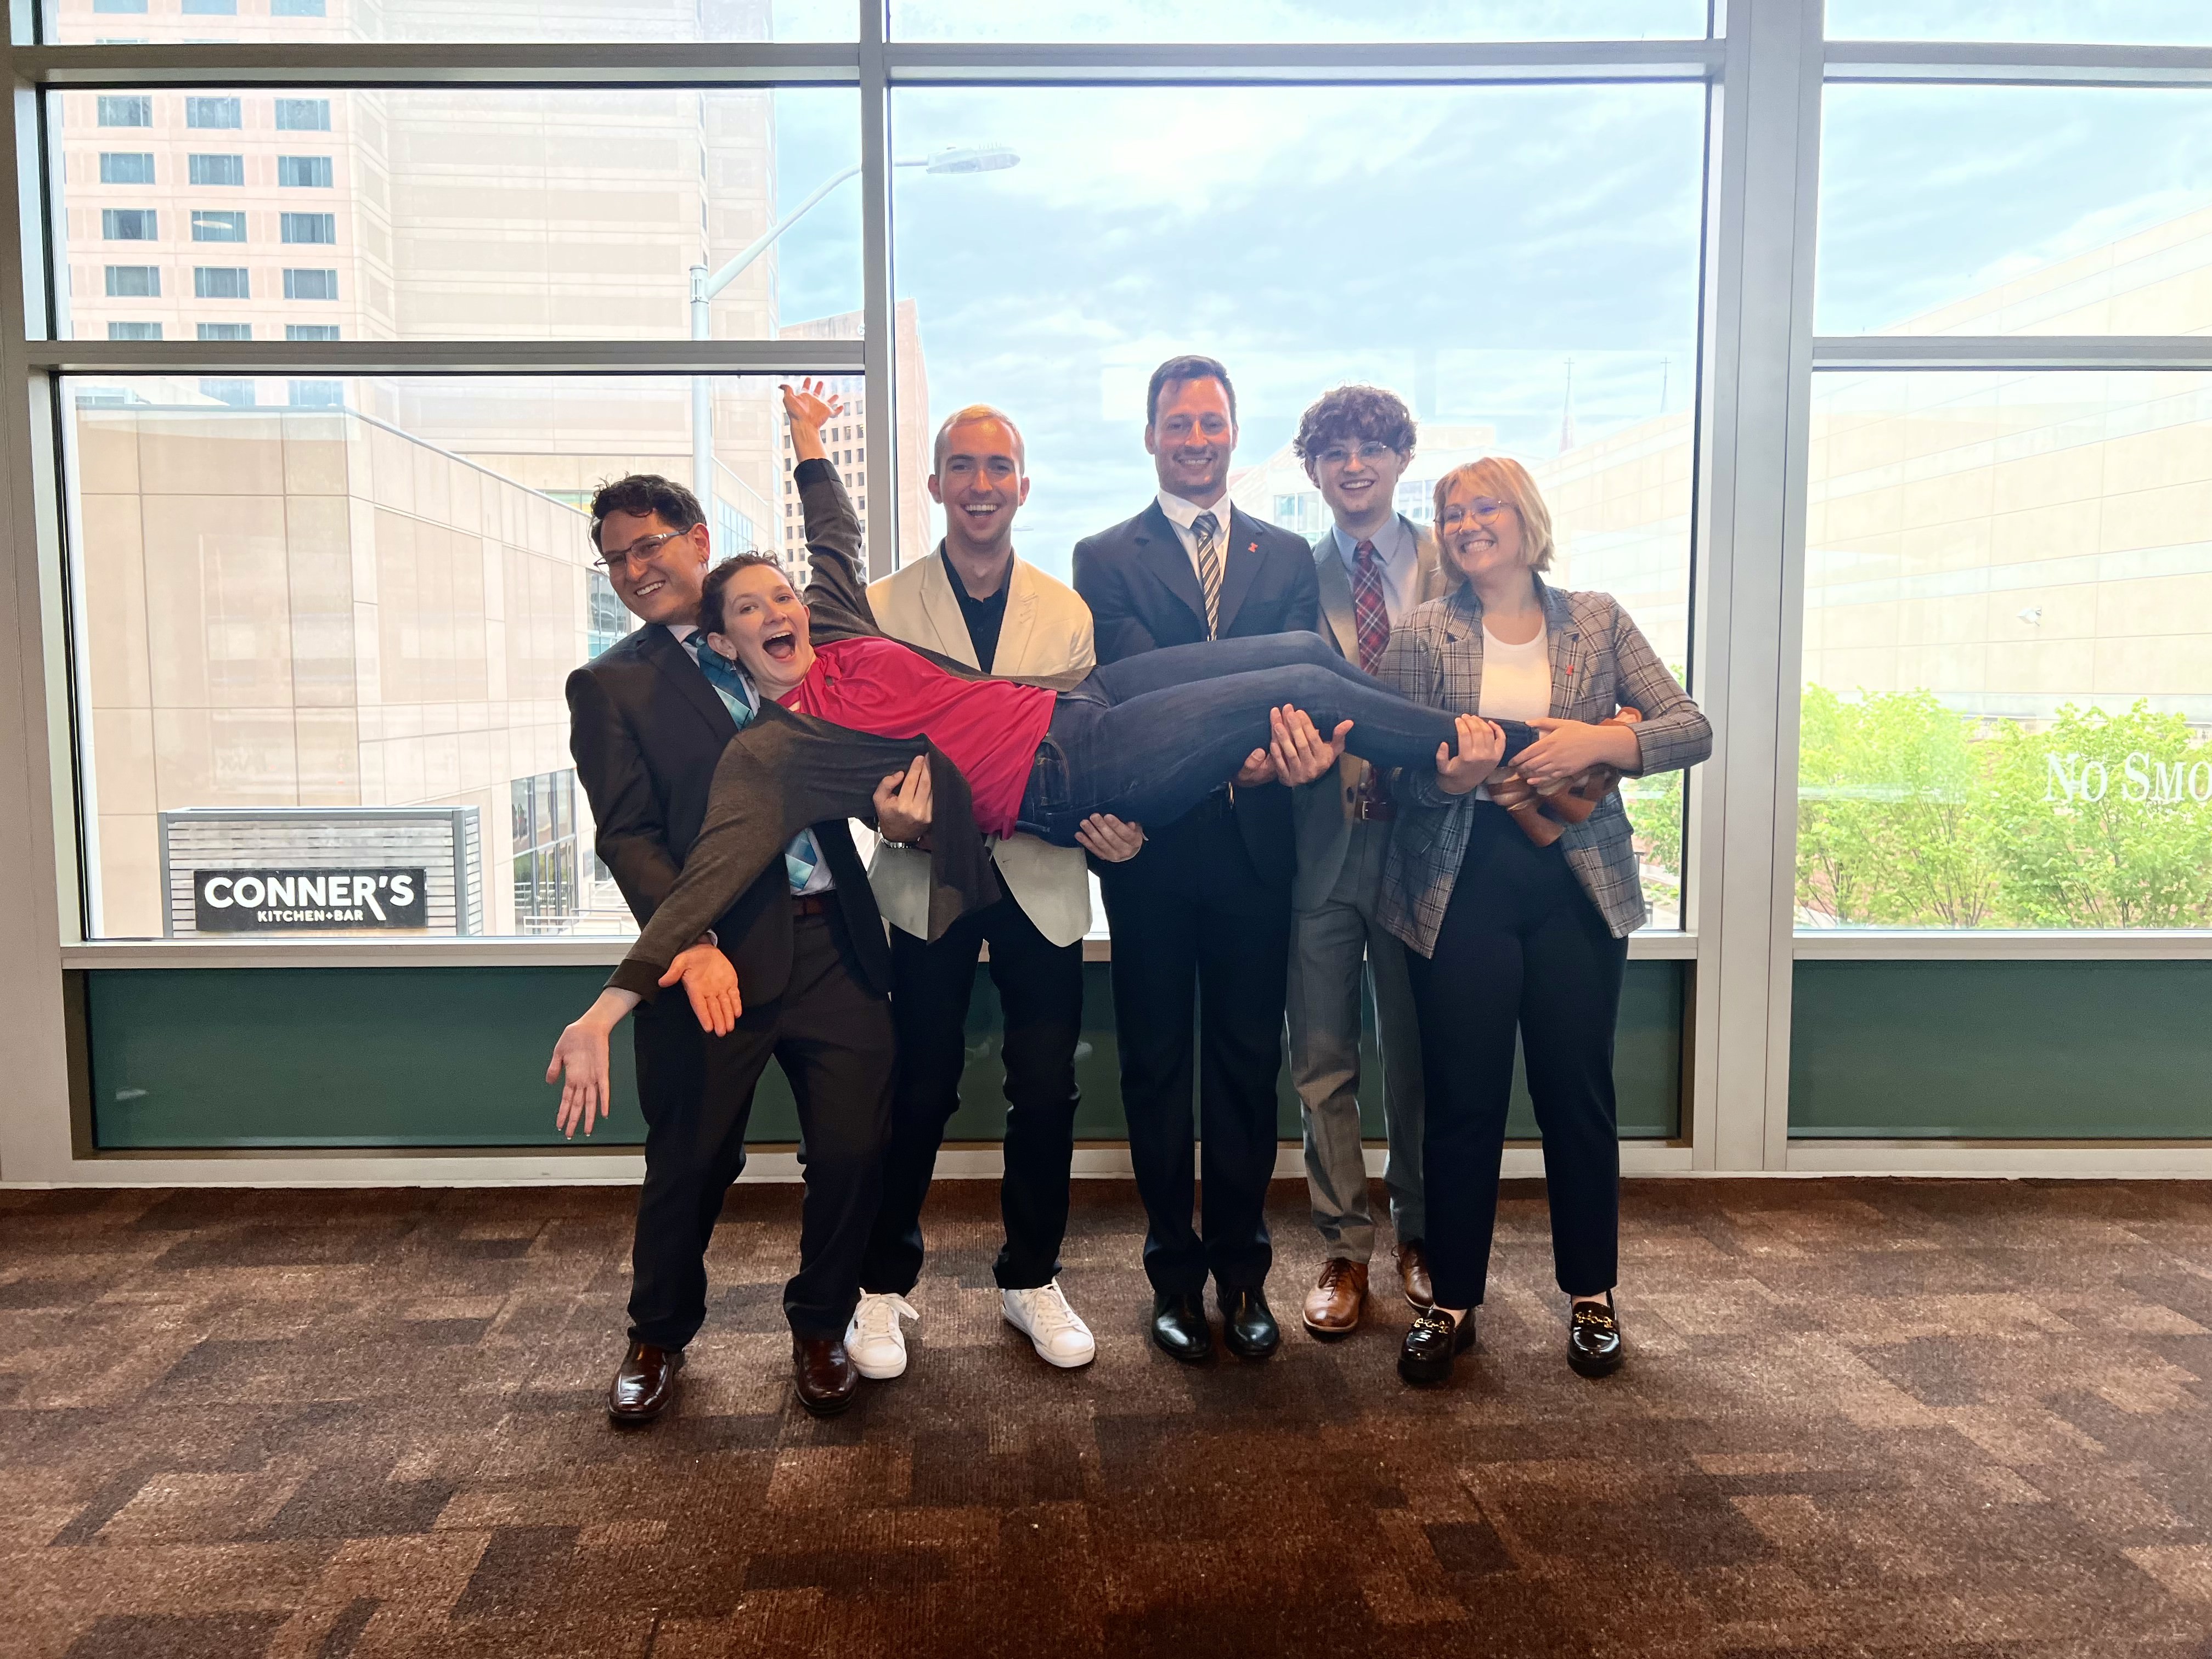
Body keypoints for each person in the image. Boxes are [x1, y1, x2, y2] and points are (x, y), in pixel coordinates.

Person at [563, 472, 931, 1422]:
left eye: (649, 545)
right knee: (690, 1162)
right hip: (708, 966)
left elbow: (850, 774)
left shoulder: (798, 656)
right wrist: (694, 945)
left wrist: (893, 820)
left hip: (836, 945)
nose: (634, 569)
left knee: (854, 1153)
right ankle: (656, 1337)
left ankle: (822, 1325)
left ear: (695, 538)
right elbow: (628, 835)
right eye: (616, 558)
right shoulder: (611, 685)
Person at [1378, 456, 1711, 1387]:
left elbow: (1690, 727)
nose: (1468, 522)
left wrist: (1598, 742)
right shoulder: (1420, 635)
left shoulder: (1597, 620)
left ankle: (1592, 1296)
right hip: (1459, 886)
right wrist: (1441, 779)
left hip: (1576, 889)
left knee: (1577, 1094)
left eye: (1486, 506)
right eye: (1452, 512)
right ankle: (1452, 1303)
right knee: (1463, 1100)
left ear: (1526, 519)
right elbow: (1393, 770)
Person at [848, 404, 1141, 1379]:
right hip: (923, 880)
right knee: (919, 1085)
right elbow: (852, 747)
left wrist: (1118, 826)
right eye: (961, 467)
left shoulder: (1067, 612)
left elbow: (1091, 750)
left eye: (999, 468)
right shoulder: (884, 605)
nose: (980, 484)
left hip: (1043, 877)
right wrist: (876, 814)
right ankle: (882, 1287)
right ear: (934, 485)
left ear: (1024, 484)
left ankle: (1031, 1277)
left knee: (1046, 1089)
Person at [1066, 353, 1315, 1367]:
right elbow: (1134, 689)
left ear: (1233, 432)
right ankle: (1173, 1277)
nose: (1198, 440)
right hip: (1153, 848)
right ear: (1151, 435)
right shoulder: (1103, 555)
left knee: (1249, 1071)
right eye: (1180, 424)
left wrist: (1270, 754)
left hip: (1260, 844)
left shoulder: (1286, 553)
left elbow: (1293, 680)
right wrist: (1231, 736)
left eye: (1213, 423)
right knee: (1160, 1070)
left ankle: (1245, 1274)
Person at [1283, 386, 1449, 1340]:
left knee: (1420, 1059)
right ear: (1313, 468)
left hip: (1428, 844)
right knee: (1321, 1058)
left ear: (1399, 459)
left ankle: (1420, 1231)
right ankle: (1346, 1247)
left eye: (1374, 448)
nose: (1355, 465)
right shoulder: (1290, 574)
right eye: (1336, 451)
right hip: (1321, 841)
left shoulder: (1449, 559)